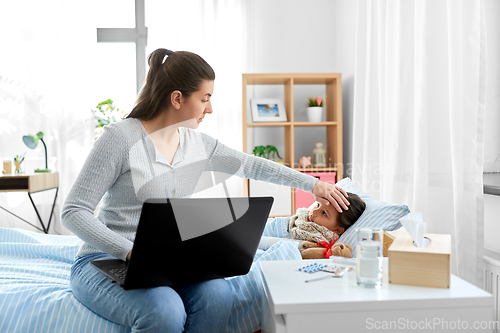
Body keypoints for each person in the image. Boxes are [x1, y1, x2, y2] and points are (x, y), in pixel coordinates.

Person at [62, 48, 350, 333]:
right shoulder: (120, 137)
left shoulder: (197, 145)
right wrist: (129, 252)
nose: (209, 108)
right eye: (205, 98)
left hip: (166, 261)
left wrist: (314, 184)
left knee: (218, 297)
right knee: (166, 311)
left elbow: (253, 166)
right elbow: (74, 211)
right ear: (177, 98)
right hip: (103, 259)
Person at [258, 192, 366, 251]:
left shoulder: (316, 239)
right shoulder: (303, 219)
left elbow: (272, 244)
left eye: (324, 213)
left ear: (337, 229)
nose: (314, 211)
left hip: (259, 239)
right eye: (318, 205)